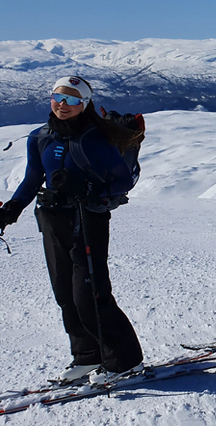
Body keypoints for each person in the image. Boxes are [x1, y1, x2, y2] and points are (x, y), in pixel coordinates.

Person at [0, 76, 144, 385]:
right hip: (52, 218)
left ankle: (125, 361)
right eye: (58, 97)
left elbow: (123, 180)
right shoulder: (39, 137)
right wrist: (11, 209)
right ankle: (87, 355)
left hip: (87, 219)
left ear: (85, 104)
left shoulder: (95, 138)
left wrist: (87, 188)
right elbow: (32, 178)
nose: (63, 105)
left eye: (73, 100)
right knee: (65, 293)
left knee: (90, 295)